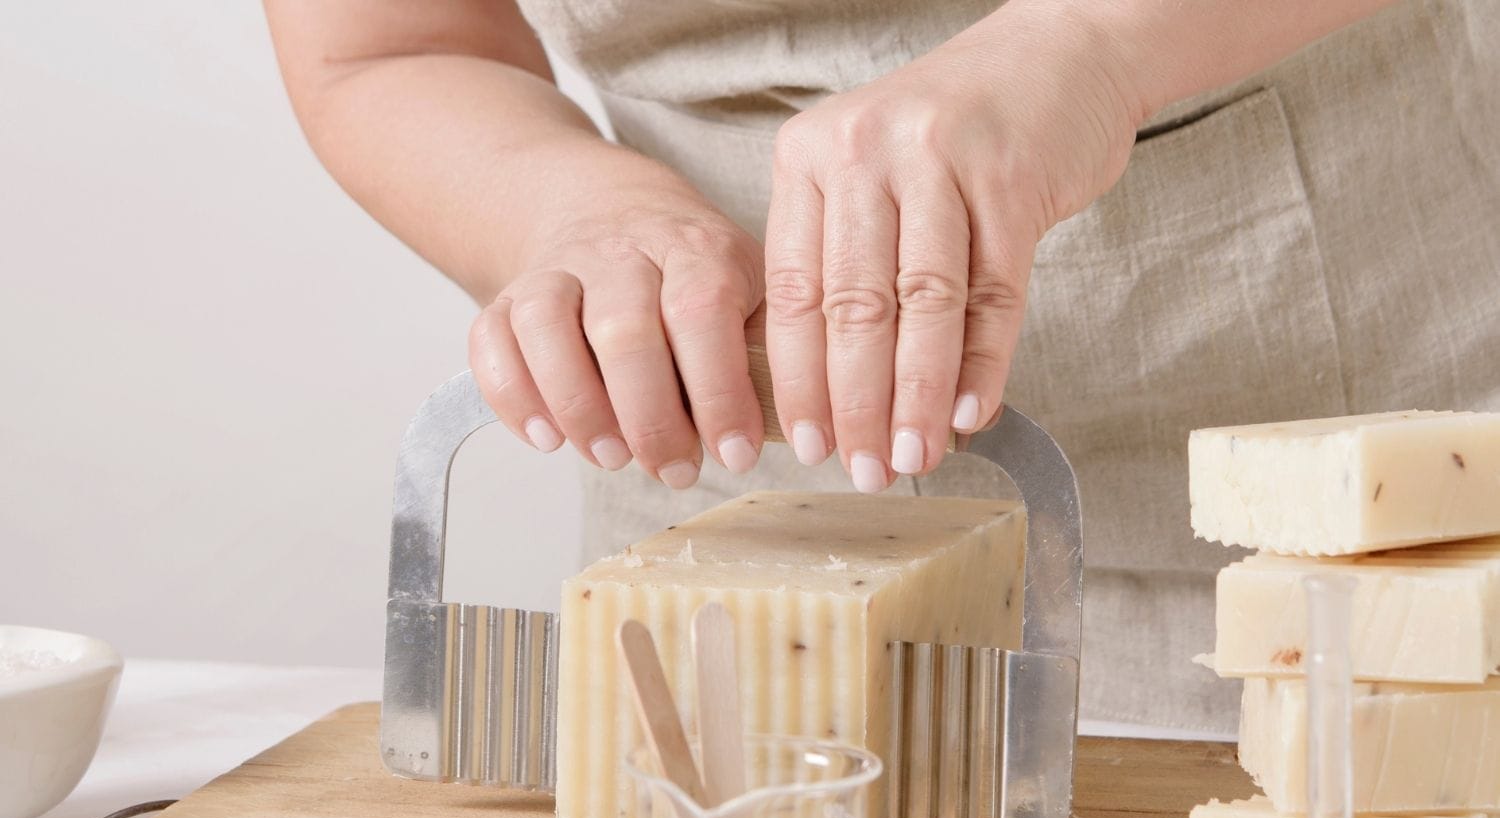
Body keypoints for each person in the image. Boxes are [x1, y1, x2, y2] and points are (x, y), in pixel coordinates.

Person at [264, 1, 1499, 733]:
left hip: (1318, 487)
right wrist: (570, 215)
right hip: (724, 490)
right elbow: (389, 40)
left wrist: (1093, 44)